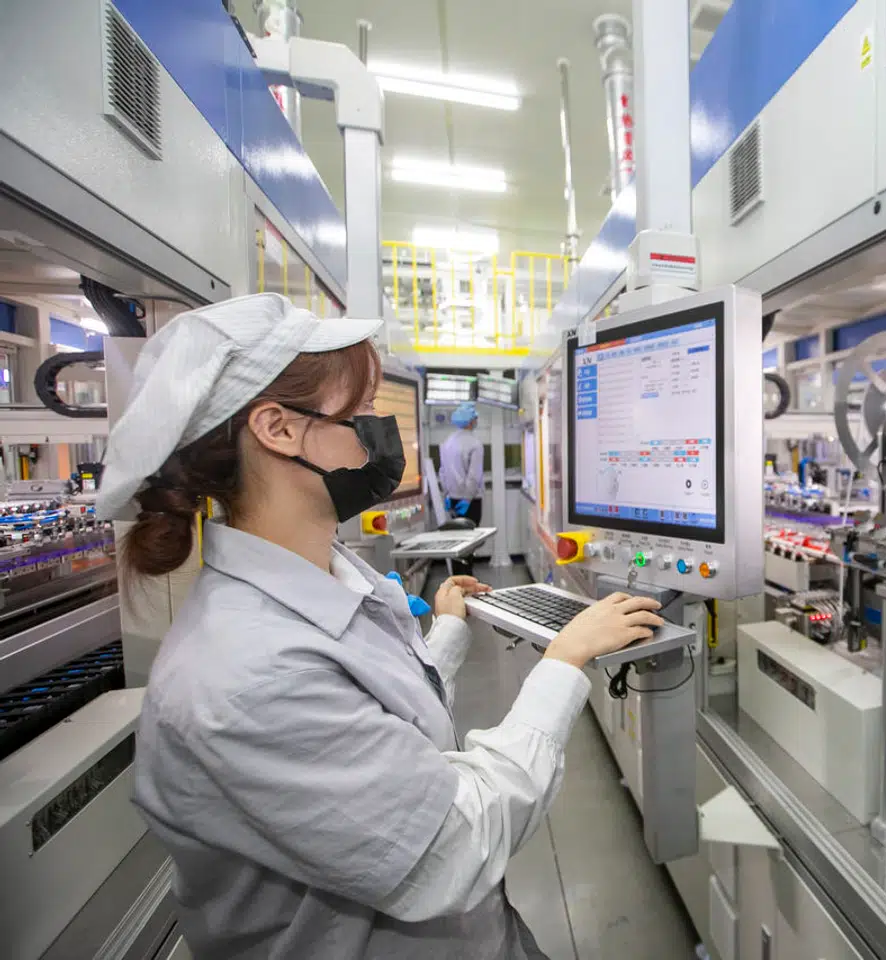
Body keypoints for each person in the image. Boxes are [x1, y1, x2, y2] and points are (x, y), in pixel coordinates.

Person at [98, 293, 662, 959]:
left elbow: (378, 726)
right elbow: (453, 848)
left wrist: (445, 634)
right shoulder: (245, 676)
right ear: (277, 429)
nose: (382, 437)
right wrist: (564, 663)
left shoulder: (327, 577)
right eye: (361, 415)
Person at [440, 401, 486, 524]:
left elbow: (443, 472)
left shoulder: (447, 443)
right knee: (472, 537)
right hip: (469, 501)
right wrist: (466, 500)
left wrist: (446, 495)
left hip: (453, 499)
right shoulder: (475, 444)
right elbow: (474, 477)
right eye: (475, 418)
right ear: (471, 421)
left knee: (458, 535)